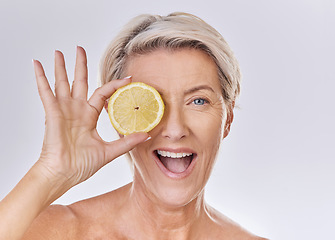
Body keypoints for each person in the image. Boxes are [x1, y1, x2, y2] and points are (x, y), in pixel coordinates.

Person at [0, 12, 268, 239]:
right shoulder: (59, 231)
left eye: (198, 100)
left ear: (228, 118)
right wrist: (49, 173)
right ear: (121, 117)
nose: (175, 130)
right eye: (152, 102)